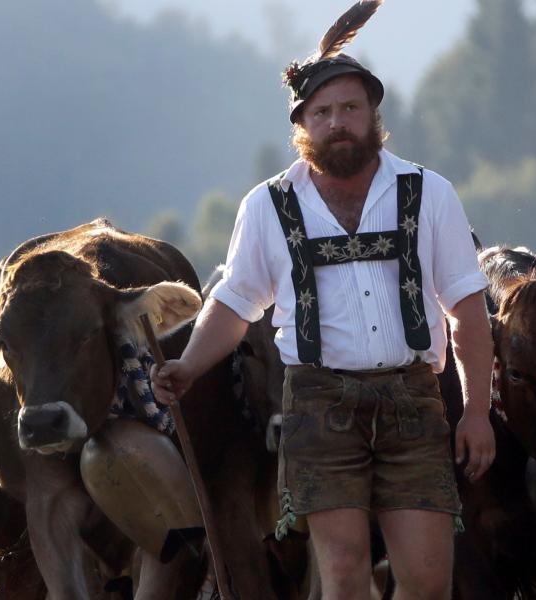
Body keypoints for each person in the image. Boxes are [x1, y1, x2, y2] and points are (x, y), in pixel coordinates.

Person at [151, 2, 495, 597]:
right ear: (302, 125)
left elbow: (467, 310)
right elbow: (235, 303)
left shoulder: (428, 193)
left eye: (351, 109)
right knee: (342, 573)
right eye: (323, 112)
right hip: (317, 402)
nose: (339, 123)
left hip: (414, 400)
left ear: (374, 117)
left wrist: (477, 411)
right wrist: (188, 365)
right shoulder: (268, 206)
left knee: (429, 581)